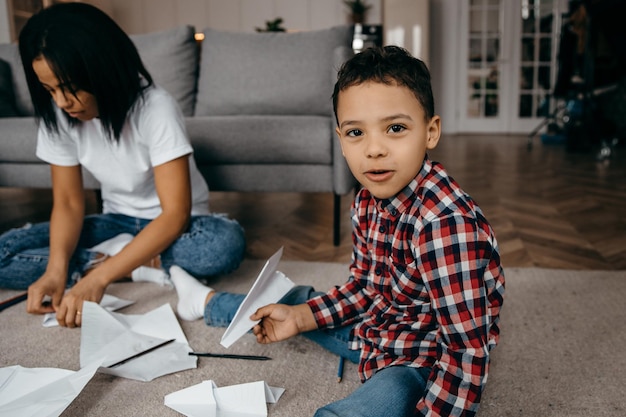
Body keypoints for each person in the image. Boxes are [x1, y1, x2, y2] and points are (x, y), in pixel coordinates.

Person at [171, 45, 505, 416]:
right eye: (355, 133)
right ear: (340, 138)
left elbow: (464, 351)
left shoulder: (445, 226)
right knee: (293, 301)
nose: (374, 149)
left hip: (423, 360)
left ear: (430, 132)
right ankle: (206, 302)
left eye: (395, 128)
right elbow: (363, 286)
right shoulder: (365, 200)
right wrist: (300, 318)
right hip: (380, 326)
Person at [0, 3, 245, 328]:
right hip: (116, 223)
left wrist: (99, 278)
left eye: (70, 88)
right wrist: (55, 270)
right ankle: (138, 263)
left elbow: (175, 214)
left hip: (181, 228)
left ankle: (111, 262)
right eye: (49, 90)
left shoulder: (155, 107)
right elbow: (69, 202)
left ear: (102, 70)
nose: (61, 102)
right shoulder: (58, 114)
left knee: (222, 246)